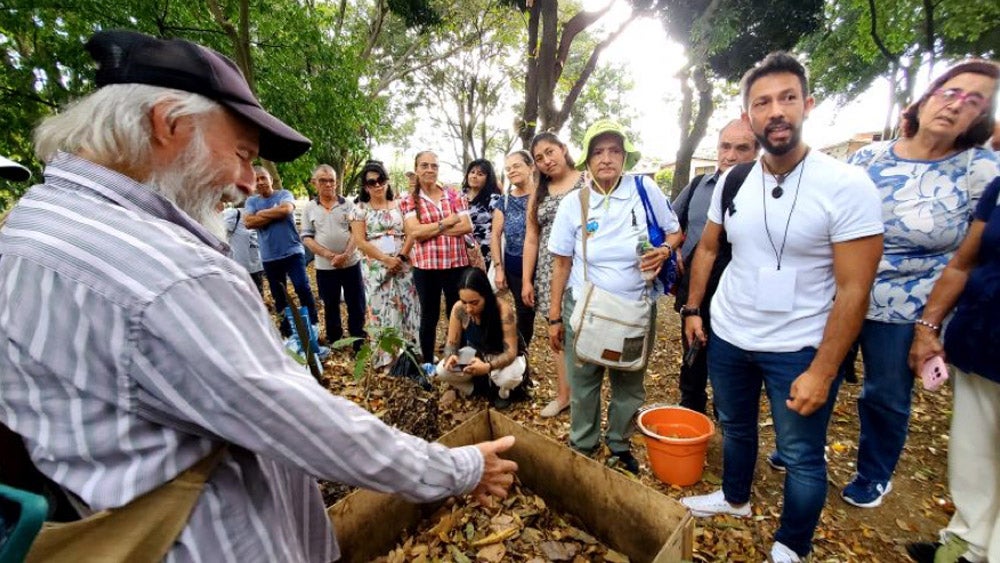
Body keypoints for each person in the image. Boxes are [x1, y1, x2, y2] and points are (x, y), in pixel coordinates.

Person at [0, 30, 517, 562]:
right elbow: (304, 423)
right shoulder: (169, 274)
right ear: (168, 124)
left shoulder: (33, 223)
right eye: (243, 154)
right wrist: (459, 469)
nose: (249, 181)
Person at [678, 52, 884, 563]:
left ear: (807, 105)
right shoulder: (732, 180)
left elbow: (856, 288)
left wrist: (824, 368)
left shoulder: (846, 185)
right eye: (762, 102)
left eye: (787, 98)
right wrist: (694, 309)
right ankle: (734, 498)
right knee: (737, 426)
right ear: (749, 115)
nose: (776, 111)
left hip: (799, 345)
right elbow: (707, 248)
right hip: (729, 333)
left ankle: (793, 544)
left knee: (800, 456)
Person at [842, 60, 1000, 509]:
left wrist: (929, 325)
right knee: (823, 372)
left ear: (981, 117)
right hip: (844, 288)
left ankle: (874, 473)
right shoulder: (868, 157)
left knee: (886, 393)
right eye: (950, 92)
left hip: (908, 303)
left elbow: (970, 257)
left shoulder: (979, 168)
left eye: (974, 101)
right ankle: (799, 448)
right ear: (927, 97)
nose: (956, 106)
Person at [547, 119, 682, 474]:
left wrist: (664, 251)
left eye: (614, 151)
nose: (606, 158)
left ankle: (619, 443)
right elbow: (561, 265)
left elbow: (675, 232)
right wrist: (554, 317)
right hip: (585, 305)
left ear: (624, 157)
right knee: (584, 381)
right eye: (598, 151)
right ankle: (583, 445)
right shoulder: (573, 203)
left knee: (629, 381)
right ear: (588, 160)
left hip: (635, 307)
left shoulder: (645, 190)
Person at [905, 175, 1000, 563]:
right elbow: (963, 263)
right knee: (974, 453)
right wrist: (928, 326)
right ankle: (967, 543)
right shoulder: (997, 189)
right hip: (981, 341)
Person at [672, 119, 758, 414]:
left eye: (742, 148)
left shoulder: (764, 191)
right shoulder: (698, 185)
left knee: (733, 362)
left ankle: (729, 415)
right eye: (725, 146)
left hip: (741, 295)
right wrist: (674, 251)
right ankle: (691, 409)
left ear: (757, 151)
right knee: (694, 354)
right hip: (698, 289)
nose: (731, 155)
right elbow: (668, 223)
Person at [523, 132, 582, 418]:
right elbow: (531, 238)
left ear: (563, 149)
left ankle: (589, 395)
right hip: (549, 272)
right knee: (557, 334)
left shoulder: (587, 179)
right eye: (539, 158)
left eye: (550, 152)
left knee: (589, 329)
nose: (547, 161)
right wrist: (525, 279)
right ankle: (564, 394)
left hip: (584, 267)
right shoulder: (539, 192)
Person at [400, 151, 474, 363]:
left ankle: (457, 359)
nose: (430, 170)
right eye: (424, 165)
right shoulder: (409, 201)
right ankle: (428, 361)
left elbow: (467, 226)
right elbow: (414, 232)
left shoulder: (453, 195)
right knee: (429, 316)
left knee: (457, 312)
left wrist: (430, 230)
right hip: (426, 268)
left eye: (434, 166)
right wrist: (447, 222)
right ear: (416, 169)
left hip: (456, 265)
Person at [350, 159, 420, 369]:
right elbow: (361, 241)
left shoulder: (401, 205)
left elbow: (411, 233)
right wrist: (386, 259)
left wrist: (400, 258)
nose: (378, 185)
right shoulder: (359, 209)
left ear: (387, 181)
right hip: (376, 268)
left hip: (404, 264)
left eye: (381, 180)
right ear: (365, 187)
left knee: (409, 307)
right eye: (372, 182)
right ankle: (386, 357)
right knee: (380, 309)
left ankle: (412, 355)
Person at [433, 267, 530, 409]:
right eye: (464, 302)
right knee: (442, 370)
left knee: (508, 376)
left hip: (503, 358)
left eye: (474, 303)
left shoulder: (502, 310)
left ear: (486, 296)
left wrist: (487, 367)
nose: (468, 309)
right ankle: (477, 390)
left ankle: (503, 393)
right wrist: (451, 356)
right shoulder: (459, 309)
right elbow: (451, 344)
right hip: (478, 356)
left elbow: (511, 352)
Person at [245, 165, 320, 339]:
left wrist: (261, 214)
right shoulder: (251, 202)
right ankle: (288, 333)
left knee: (302, 287)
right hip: (270, 256)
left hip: (293, 251)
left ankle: (313, 326)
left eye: (263, 177)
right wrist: (274, 212)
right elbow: (248, 223)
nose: (261, 182)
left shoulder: (284, 194)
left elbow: (286, 209)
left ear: (271, 179)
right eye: (256, 179)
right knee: (280, 296)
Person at [301, 164, 367, 353]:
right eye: (323, 180)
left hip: (351, 263)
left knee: (356, 303)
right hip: (324, 266)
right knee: (330, 304)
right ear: (315, 183)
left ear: (336, 182)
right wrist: (330, 255)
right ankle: (335, 340)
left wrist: (345, 255)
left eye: (331, 180)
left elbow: (357, 233)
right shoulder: (309, 208)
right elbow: (307, 238)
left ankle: (358, 340)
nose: (328, 184)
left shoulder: (348, 204)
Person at [491, 150, 537, 351]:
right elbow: (495, 235)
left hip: (542, 265)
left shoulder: (544, 196)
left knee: (540, 313)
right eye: (508, 168)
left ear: (531, 167)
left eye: (516, 166)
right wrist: (499, 268)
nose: (511, 171)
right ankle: (518, 356)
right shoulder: (505, 201)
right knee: (525, 312)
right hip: (514, 265)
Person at [462, 159, 501, 268]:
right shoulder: (459, 196)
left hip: (485, 251)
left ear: (488, 178)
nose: (474, 176)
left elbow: (497, 229)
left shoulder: (494, 199)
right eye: (472, 172)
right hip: (461, 251)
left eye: (480, 174)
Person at [224, 199, 266, 297]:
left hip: (248, 262)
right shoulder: (235, 213)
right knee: (254, 294)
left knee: (247, 294)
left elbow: (222, 232)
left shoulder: (235, 213)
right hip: (249, 263)